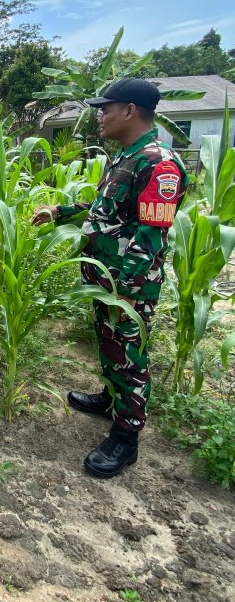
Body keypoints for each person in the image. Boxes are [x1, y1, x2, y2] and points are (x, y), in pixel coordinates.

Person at [32, 78, 188, 478]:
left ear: (130, 111)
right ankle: (110, 398)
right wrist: (61, 211)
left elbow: (152, 234)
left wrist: (129, 294)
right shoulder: (126, 157)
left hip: (126, 285)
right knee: (110, 346)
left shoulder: (160, 163)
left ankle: (126, 436)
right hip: (107, 279)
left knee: (129, 357)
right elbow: (107, 210)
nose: (101, 115)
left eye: (107, 108)